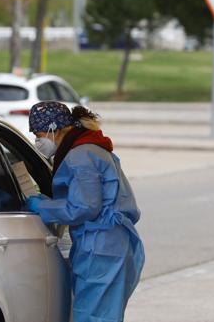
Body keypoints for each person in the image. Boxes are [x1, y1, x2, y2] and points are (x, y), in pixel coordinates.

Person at [26, 101, 145, 322]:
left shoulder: (80, 156)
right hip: (110, 245)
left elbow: (84, 207)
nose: (37, 140)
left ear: (55, 129)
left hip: (100, 248)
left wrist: (40, 206)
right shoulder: (90, 149)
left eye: (38, 133)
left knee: (92, 316)